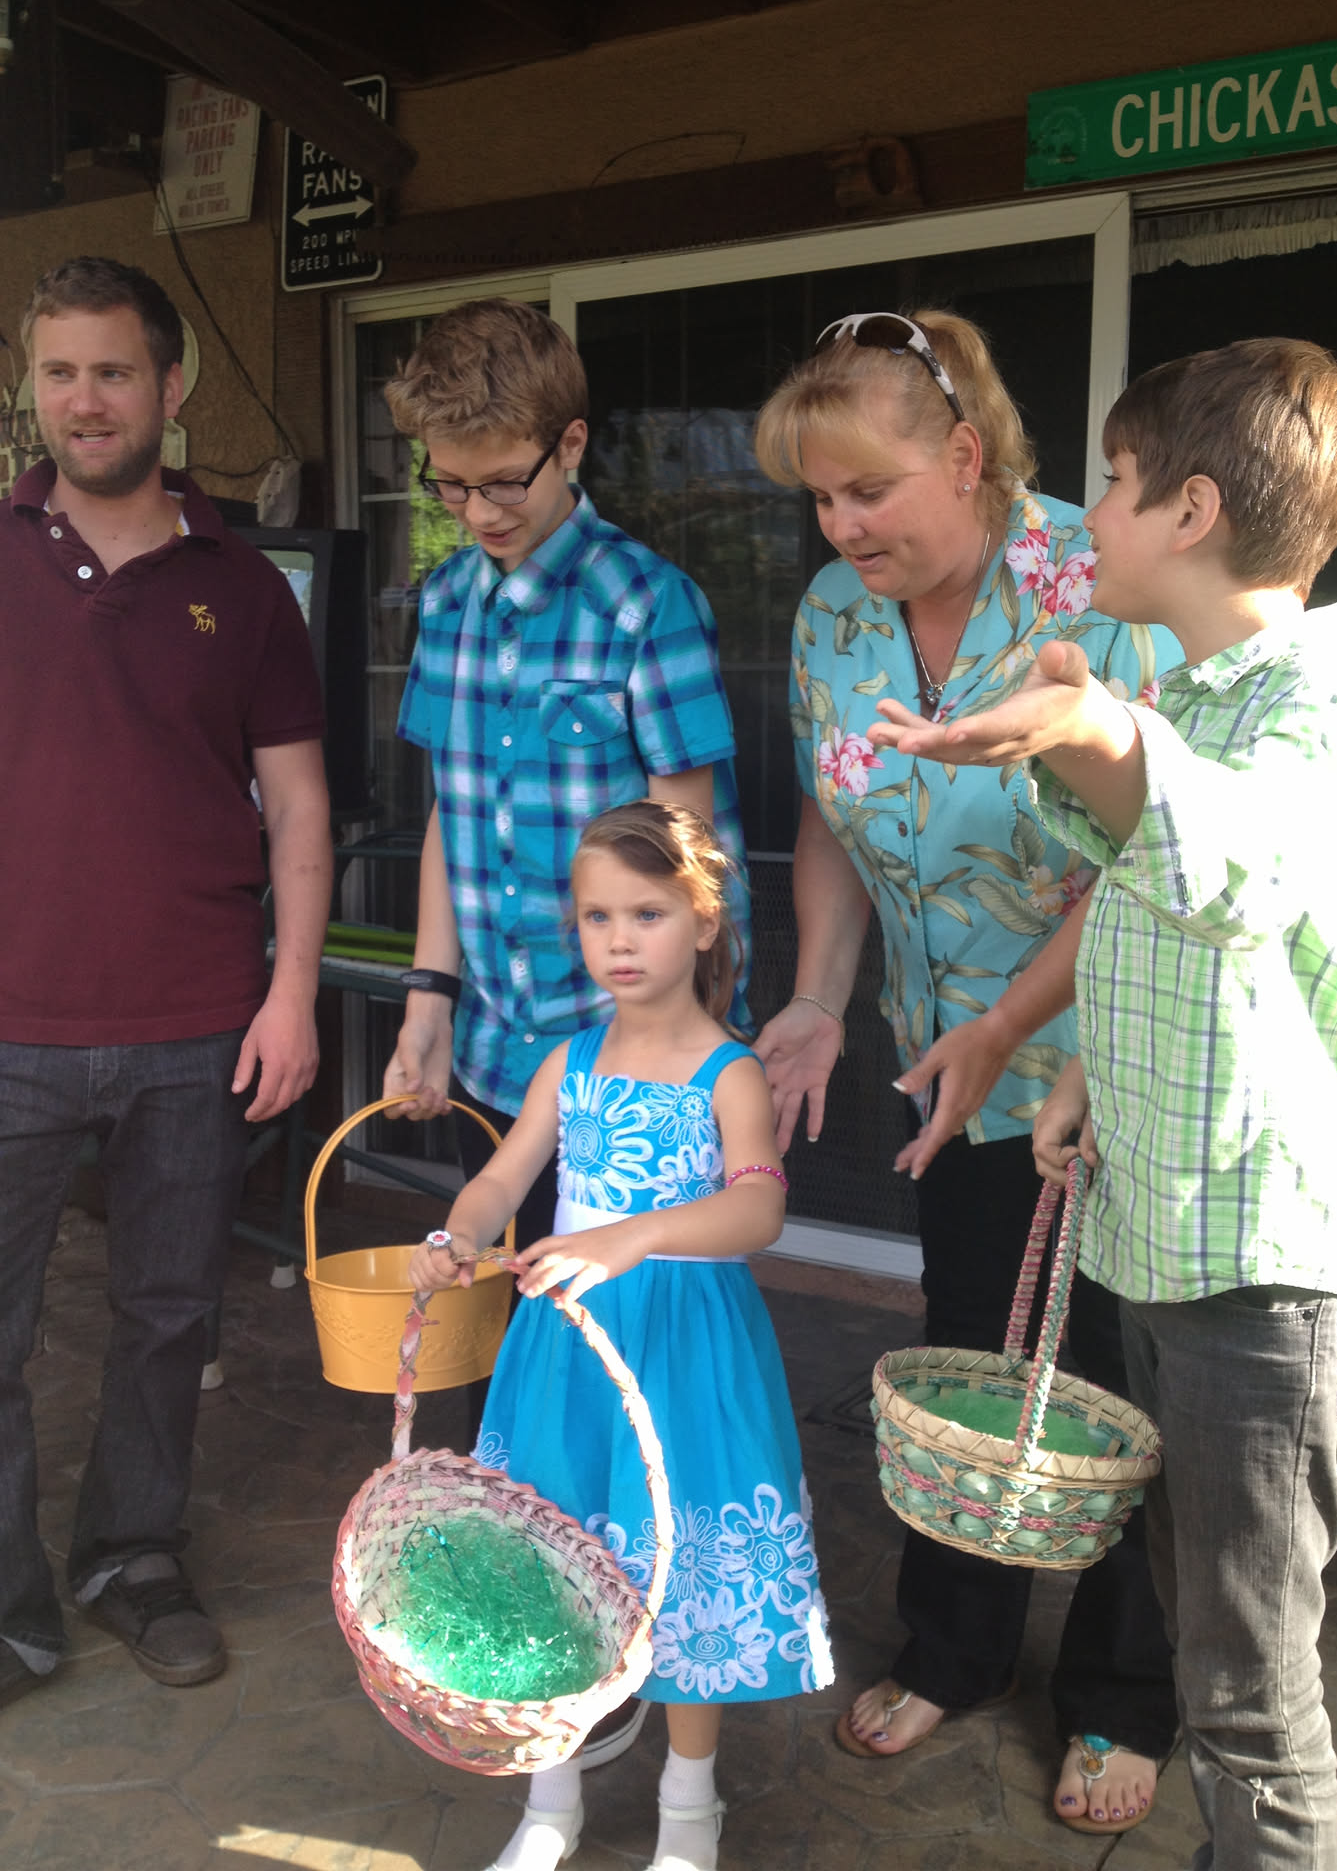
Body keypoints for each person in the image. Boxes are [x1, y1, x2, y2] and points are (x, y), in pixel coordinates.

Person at [870, 336, 1337, 1871]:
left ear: (1192, 511)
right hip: (1183, 1240)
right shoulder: (1201, 700)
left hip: (1274, 1282)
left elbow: (1230, 868)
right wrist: (1082, 1071)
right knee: (1202, 1629)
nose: (1091, 511)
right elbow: (1165, 922)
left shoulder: (1330, 705)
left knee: (1247, 1690)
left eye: (1115, 482)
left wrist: (1097, 731)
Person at [751, 310, 1180, 1832]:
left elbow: (1147, 850)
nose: (842, 525)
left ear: (965, 453)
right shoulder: (833, 616)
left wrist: (1013, 1026)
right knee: (968, 1353)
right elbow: (831, 817)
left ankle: (1123, 1692)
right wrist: (818, 997)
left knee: (1114, 1378)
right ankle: (959, 1647)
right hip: (946, 1059)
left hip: (1107, 1059)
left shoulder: (1096, 580)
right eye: (821, 497)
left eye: (869, 490)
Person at [0, 258, 331, 1706]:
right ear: (32, 385)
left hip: (200, 1023)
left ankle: (131, 1557)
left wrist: (293, 990)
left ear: (171, 386)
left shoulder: (244, 589)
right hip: (8, 1023)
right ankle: (9, 1608)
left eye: (114, 371)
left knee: (169, 1316)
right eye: (60, 371)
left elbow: (300, 805)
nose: (86, 400)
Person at [409, 799, 830, 1871]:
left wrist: (629, 1237)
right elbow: (503, 1178)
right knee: (554, 1561)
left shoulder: (728, 1071)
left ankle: (690, 1803)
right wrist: (458, 1235)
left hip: (687, 1352)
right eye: (598, 917)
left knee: (679, 1562)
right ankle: (550, 1800)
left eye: (647, 914)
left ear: (703, 922)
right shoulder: (571, 1062)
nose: (619, 940)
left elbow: (758, 1207)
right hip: (567, 1358)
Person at [380, 298, 749, 1249]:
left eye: (506, 481)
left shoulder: (647, 605)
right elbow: (452, 815)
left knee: (622, 1315)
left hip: (627, 1057)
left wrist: (677, 1063)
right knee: (503, 1299)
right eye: (450, 485)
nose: (478, 513)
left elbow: (690, 856)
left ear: (571, 444)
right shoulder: (446, 604)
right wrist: (429, 1004)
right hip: (492, 1047)